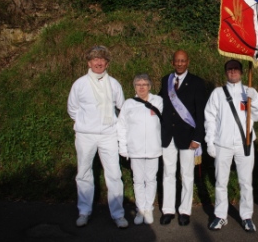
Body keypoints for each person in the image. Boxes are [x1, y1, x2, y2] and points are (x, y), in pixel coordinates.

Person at [67, 45, 128, 228]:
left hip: (108, 135)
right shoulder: (80, 84)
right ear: (89, 62)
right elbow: (72, 109)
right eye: (95, 59)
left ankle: (118, 214)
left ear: (107, 63)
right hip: (85, 135)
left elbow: (121, 107)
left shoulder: (114, 84)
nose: (98, 63)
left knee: (114, 174)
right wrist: (85, 124)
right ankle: (84, 211)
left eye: (102, 59)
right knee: (84, 173)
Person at [204, 59, 258, 232]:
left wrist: (256, 99)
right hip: (223, 144)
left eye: (236, 69)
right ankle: (221, 216)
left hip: (245, 144)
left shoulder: (249, 92)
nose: (233, 72)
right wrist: (210, 142)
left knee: (246, 182)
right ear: (225, 72)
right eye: (229, 69)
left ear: (242, 72)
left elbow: (257, 116)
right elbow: (209, 119)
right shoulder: (217, 93)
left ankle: (246, 217)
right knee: (221, 181)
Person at [158, 50, 207, 226]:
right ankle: (168, 210)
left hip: (188, 137)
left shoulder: (197, 82)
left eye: (183, 61)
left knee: (187, 174)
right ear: (173, 62)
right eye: (177, 61)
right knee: (168, 174)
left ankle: (185, 210)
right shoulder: (166, 80)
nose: (179, 64)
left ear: (188, 62)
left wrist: (198, 137)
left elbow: (201, 113)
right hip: (168, 136)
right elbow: (161, 103)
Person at [117, 74, 163, 225]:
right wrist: (123, 147)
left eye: (145, 84)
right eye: (138, 84)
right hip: (135, 149)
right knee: (137, 180)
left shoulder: (158, 101)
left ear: (150, 86)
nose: (142, 87)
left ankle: (148, 208)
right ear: (134, 87)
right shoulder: (129, 104)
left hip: (153, 148)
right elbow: (122, 126)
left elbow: (165, 125)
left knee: (151, 179)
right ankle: (140, 209)